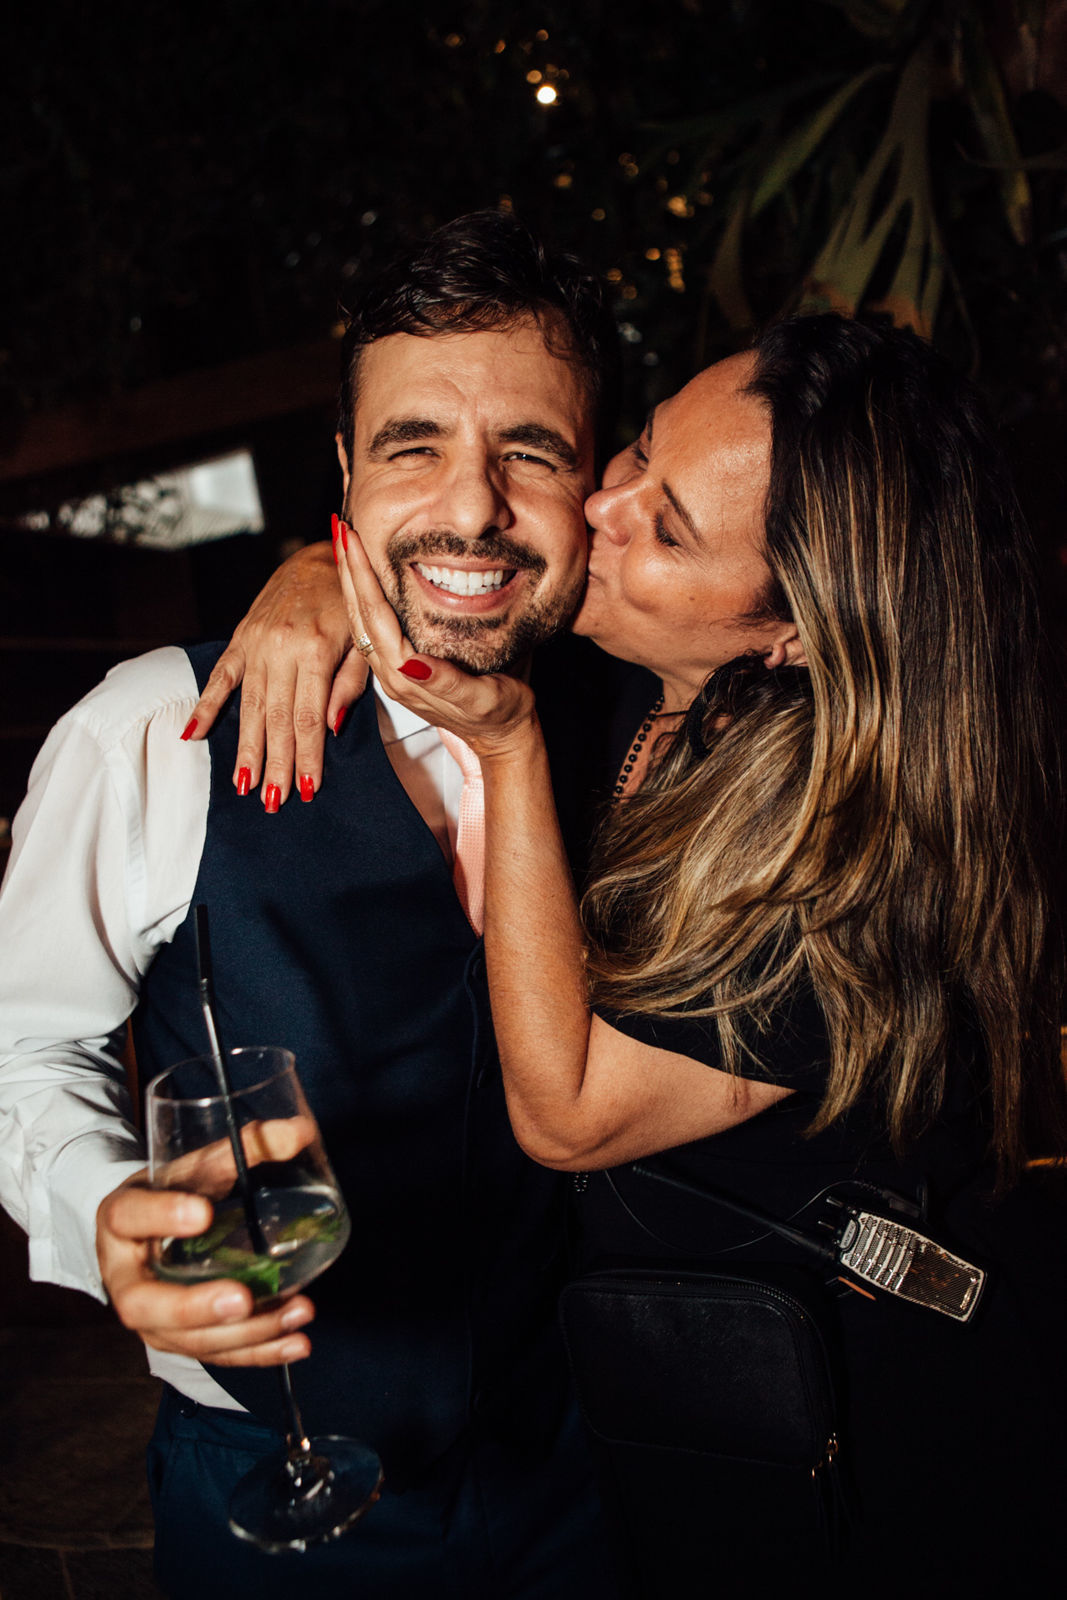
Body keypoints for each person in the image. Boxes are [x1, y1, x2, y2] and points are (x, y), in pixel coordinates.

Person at [316, 314, 1065, 1596]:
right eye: (641, 455)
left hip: (846, 1448)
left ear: (794, 633)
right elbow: (441, 553)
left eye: (667, 531)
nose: (603, 508)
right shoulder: (649, 683)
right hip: (660, 1397)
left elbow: (562, 1112)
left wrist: (504, 751)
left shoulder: (868, 856)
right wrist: (299, 589)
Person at [0, 211, 625, 1599]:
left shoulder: (637, 723)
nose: (472, 508)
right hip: (273, 1484)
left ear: (596, 482)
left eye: (532, 450)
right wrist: (107, 1207)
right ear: (342, 471)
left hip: (581, 1466)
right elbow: (21, 1045)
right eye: (415, 446)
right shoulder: (152, 727)